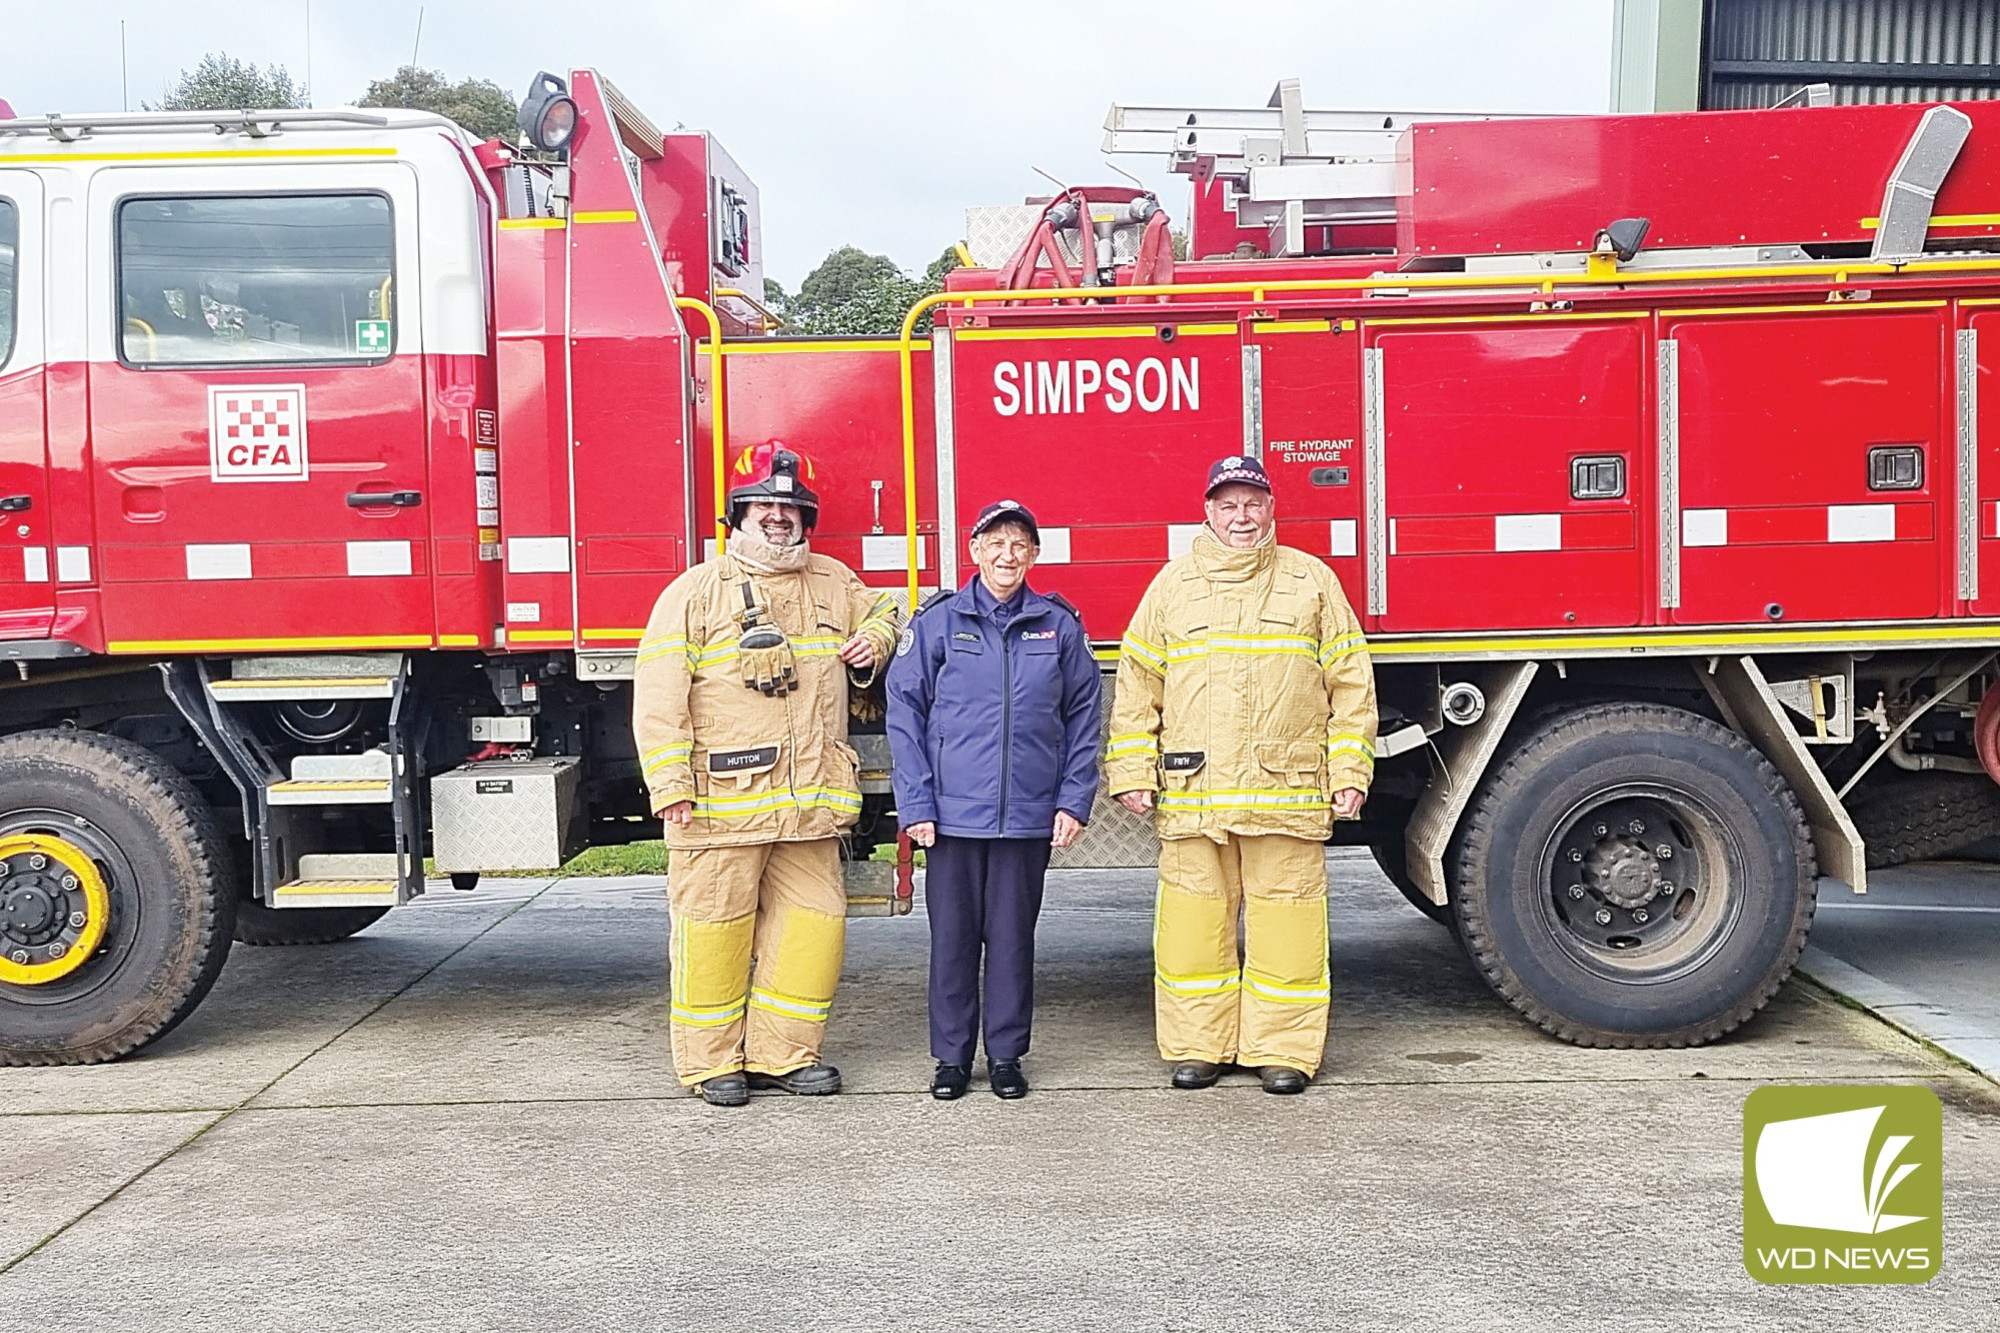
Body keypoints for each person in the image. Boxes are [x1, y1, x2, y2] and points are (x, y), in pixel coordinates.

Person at [633, 441, 902, 1107]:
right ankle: (709, 1063)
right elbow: (658, 694)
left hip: (810, 812)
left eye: (791, 507)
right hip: (720, 810)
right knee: (715, 933)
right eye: (765, 505)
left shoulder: (835, 583)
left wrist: (879, 640)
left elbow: (888, 608)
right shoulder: (694, 593)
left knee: (813, 930)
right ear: (738, 516)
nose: (778, 516)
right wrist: (669, 786)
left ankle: (784, 1055)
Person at [1105, 456, 1376, 1094]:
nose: (1241, 517)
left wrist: (1350, 768)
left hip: (1284, 791)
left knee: (1289, 929)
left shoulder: (1311, 582)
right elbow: (1137, 687)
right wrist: (1132, 770)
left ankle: (1283, 1050)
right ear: (1207, 512)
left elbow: (1351, 685)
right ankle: (1199, 1046)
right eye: (1227, 505)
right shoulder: (1173, 586)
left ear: (1271, 507)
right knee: (1193, 932)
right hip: (1195, 795)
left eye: (1252, 503)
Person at [886, 500, 1101, 1100]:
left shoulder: (1059, 626)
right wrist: (917, 805)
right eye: (995, 544)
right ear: (975, 551)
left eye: (1019, 546)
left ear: (1034, 555)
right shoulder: (938, 623)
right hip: (951, 817)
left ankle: (1006, 1055)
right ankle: (951, 1059)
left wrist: (1073, 800)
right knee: (952, 941)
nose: (1007, 556)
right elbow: (905, 715)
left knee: (1011, 941)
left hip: (1028, 815)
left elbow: (1084, 719)